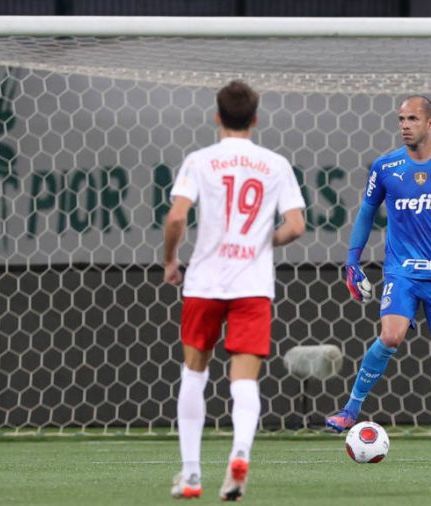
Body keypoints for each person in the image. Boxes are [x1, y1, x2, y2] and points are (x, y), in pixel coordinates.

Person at [163, 80, 306, 501]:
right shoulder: (275, 164)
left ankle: (191, 475)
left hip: (205, 281)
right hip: (252, 284)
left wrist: (171, 260)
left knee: (194, 372)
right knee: (245, 381)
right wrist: (268, 240)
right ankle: (239, 454)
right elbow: (296, 226)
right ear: (256, 119)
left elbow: (175, 218)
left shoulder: (199, 161)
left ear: (217, 117)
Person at [325, 96, 431, 463]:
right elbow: (366, 215)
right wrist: (352, 263)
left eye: (412, 118)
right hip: (400, 272)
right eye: (400, 118)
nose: (404, 125)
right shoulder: (385, 168)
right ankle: (350, 409)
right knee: (391, 335)